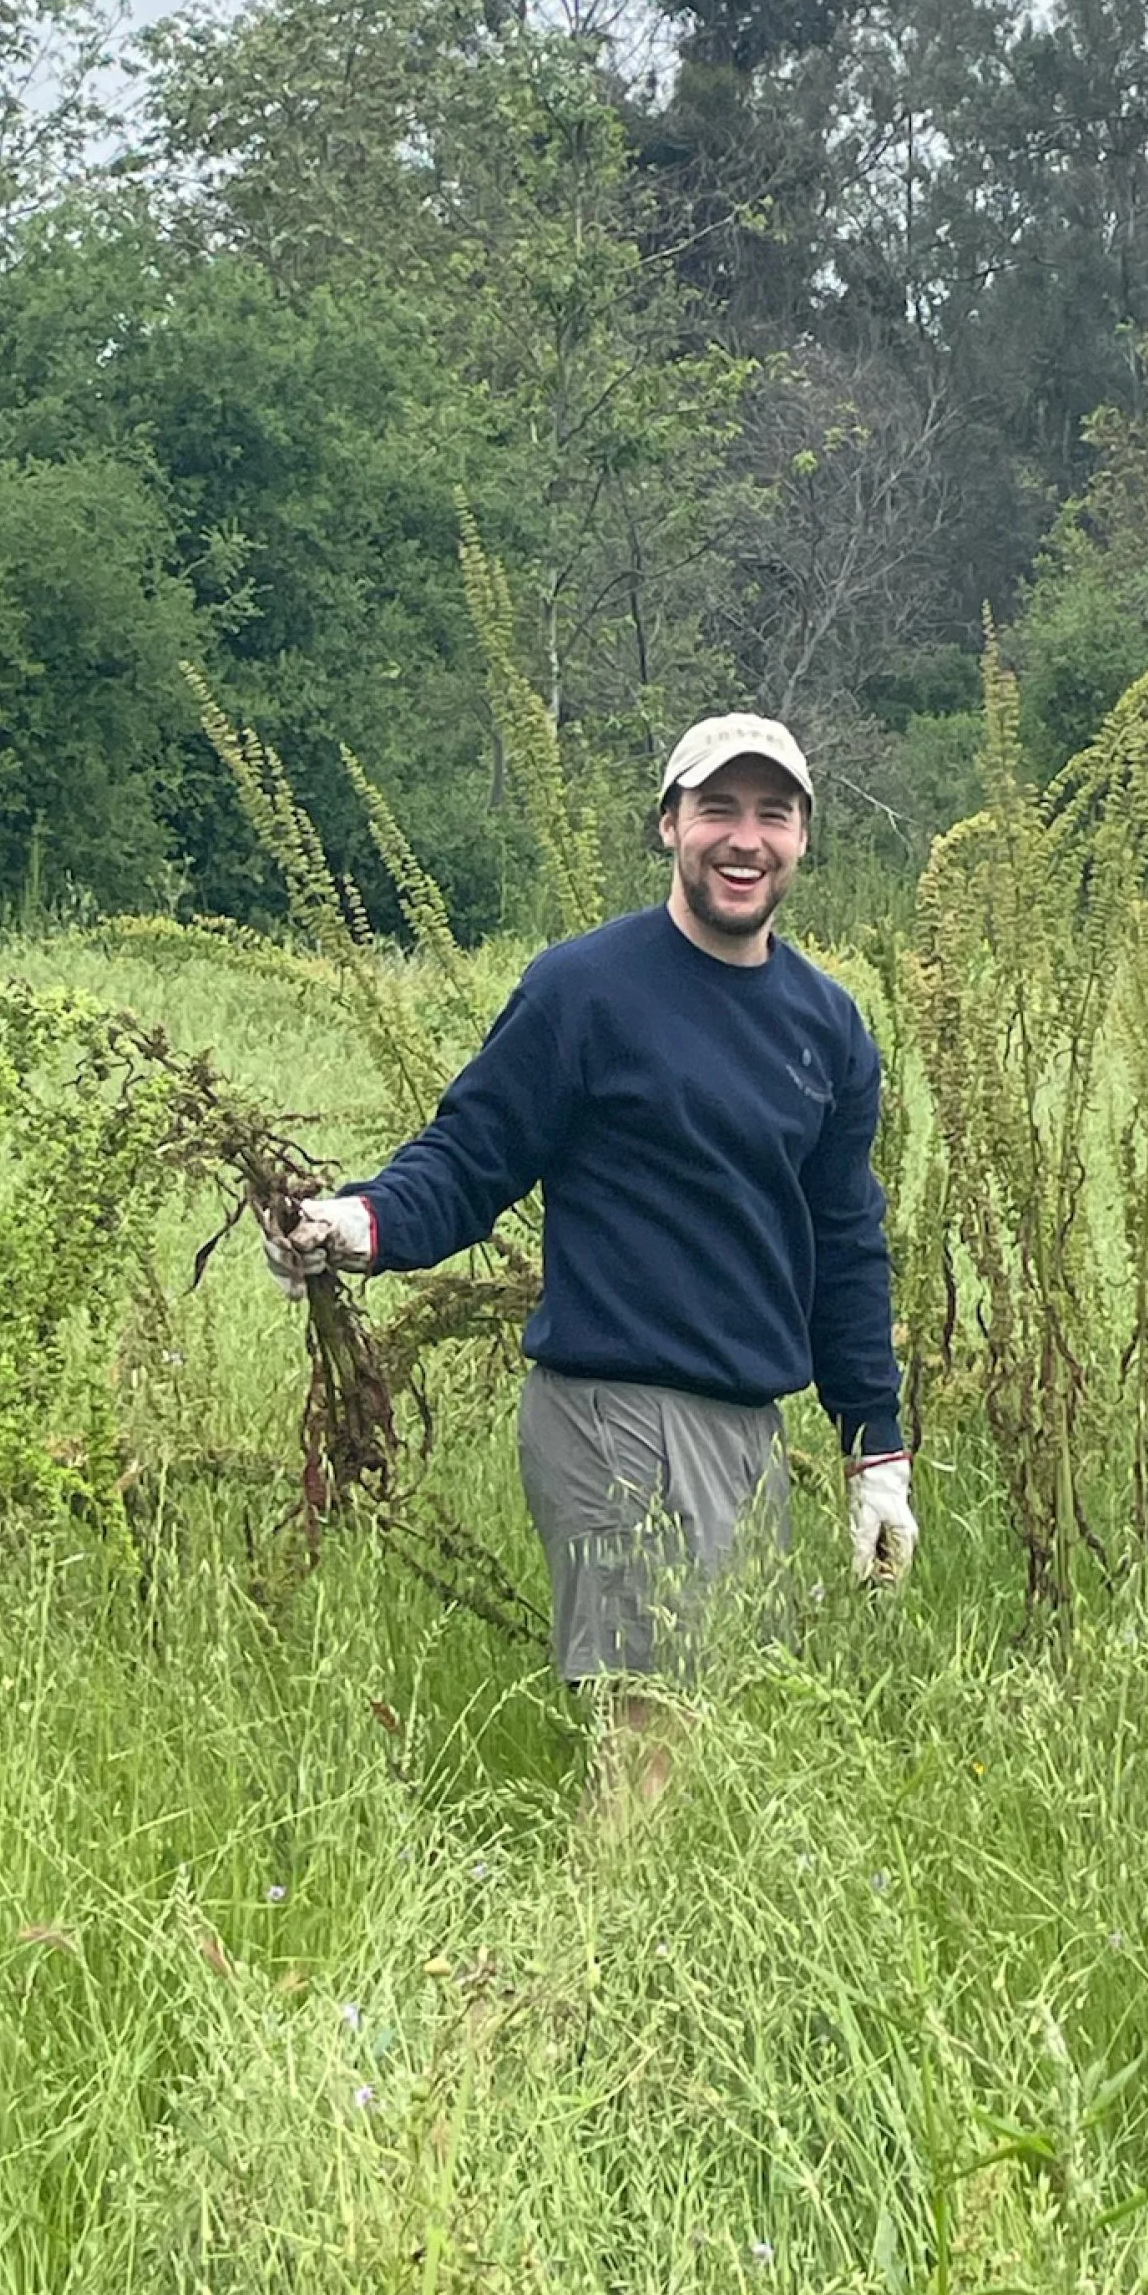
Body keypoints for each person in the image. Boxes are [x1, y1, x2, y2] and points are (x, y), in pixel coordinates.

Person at [260, 711, 917, 1788]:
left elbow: (843, 1242)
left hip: (745, 1430)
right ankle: (582, 1953)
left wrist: (874, 1447)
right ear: (669, 825)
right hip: (617, 1415)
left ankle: (638, 1946)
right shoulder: (586, 991)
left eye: (772, 814)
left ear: (803, 838)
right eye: (717, 810)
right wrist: (354, 1226)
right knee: (654, 1732)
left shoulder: (827, 1028)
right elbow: (473, 1159)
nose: (743, 839)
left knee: (715, 1733)